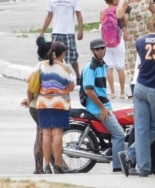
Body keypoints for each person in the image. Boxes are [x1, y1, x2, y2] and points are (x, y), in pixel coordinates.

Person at [118, 15, 155, 177]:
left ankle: (143, 168)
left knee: (142, 128)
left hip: (139, 87)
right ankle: (130, 153)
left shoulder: (140, 40)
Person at [27, 42, 75, 174]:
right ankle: (58, 163)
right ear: (62, 53)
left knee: (46, 134)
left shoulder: (41, 65)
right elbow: (71, 87)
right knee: (57, 134)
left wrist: (30, 98)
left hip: (42, 104)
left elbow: (30, 80)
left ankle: (46, 165)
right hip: (59, 104)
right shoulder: (65, 68)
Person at [82, 38, 125, 172]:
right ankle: (118, 167)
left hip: (105, 104)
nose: (101, 51)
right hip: (96, 107)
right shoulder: (91, 67)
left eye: (102, 48)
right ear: (92, 51)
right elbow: (88, 90)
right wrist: (102, 108)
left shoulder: (104, 65)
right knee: (119, 135)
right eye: (97, 49)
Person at [20, 36, 52, 174]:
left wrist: (29, 98)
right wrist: (30, 97)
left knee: (43, 134)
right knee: (42, 135)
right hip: (40, 105)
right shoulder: (44, 65)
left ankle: (44, 167)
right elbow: (30, 82)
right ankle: (39, 168)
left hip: (36, 104)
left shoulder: (40, 65)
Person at [40, 0, 84, 85]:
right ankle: (58, 76)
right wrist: (42, 31)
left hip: (68, 33)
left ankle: (78, 76)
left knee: (72, 56)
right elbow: (49, 15)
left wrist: (81, 30)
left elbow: (78, 14)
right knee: (54, 56)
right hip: (56, 32)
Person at [122, 0, 155, 94]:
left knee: (144, 58)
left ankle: (145, 84)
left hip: (144, 33)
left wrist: (151, 20)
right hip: (131, 36)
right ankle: (134, 86)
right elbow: (121, 14)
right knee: (132, 60)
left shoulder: (147, 1)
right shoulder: (128, 1)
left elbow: (154, 12)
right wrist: (125, 29)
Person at [101, 0, 126, 99]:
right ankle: (122, 93)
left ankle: (112, 92)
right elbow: (123, 23)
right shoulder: (119, 10)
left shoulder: (102, 11)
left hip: (107, 42)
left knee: (109, 67)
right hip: (118, 41)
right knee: (120, 66)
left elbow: (102, 25)